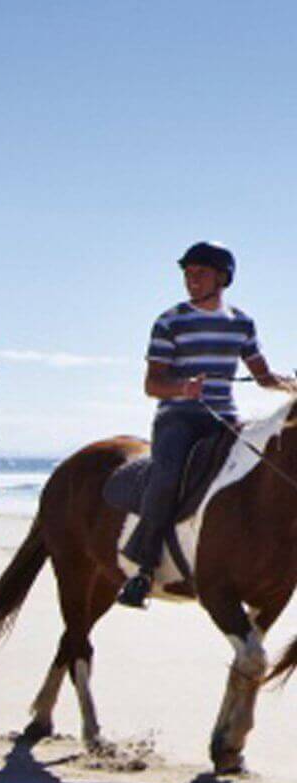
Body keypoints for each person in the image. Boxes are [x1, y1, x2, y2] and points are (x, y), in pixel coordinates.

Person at [118, 241, 293, 608]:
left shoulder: (242, 323)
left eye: (199, 274)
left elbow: (262, 377)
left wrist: (289, 384)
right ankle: (144, 568)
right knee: (166, 477)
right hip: (178, 419)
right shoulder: (170, 321)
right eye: (187, 274)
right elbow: (152, 385)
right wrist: (183, 389)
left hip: (225, 419)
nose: (191, 280)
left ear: (222, 278)